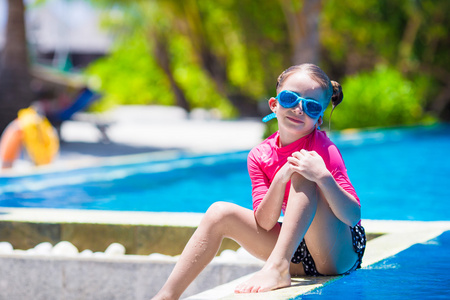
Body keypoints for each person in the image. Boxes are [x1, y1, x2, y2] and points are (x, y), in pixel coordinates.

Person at [151, 63, 366, 299]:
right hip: (301, 253)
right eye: (290, 98)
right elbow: (265, 222)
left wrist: (323, 177)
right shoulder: (260, 155)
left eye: (312, 106)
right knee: (219, 212)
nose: (298, 109)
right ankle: (167, 295)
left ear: (319, 119)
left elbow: (353, 216)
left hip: (337, 254)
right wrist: (280, 179)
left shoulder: (323, 148)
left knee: (302, 170)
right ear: (274, 104)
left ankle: (277, 268)